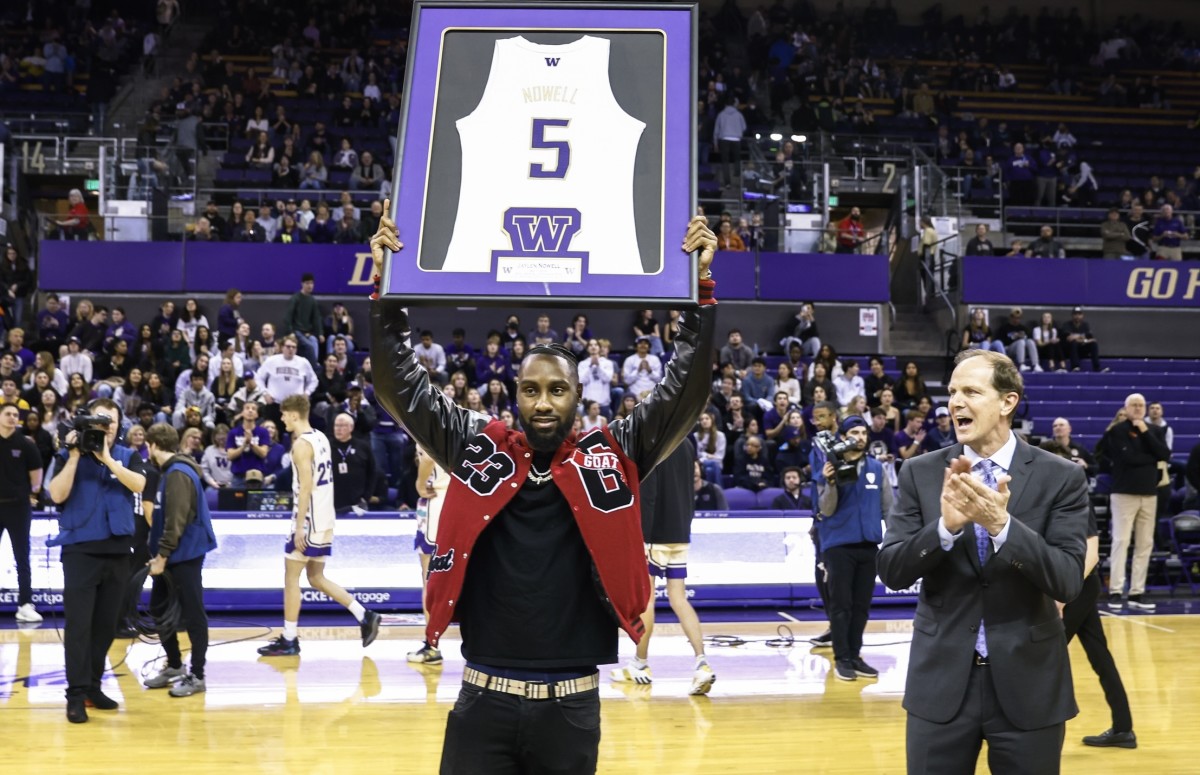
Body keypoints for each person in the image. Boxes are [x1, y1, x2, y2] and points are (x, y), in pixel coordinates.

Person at [367, 203, 717, 774]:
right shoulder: (479, 444)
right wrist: (388, 290)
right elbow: (398, 387)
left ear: (578, 396)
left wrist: (700, 291)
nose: (544, 401)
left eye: (558, 389)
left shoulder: (614, 452)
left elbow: (685, 393)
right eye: (531, 389)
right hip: (481, 699)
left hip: (572, 706)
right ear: (515, 394)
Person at [877, 349, 1089, 774]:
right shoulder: (919, 472)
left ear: (1007, 402)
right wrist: (945, 529)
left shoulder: (1061, 476)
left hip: (1029, 687)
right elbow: (893, 570)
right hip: (940, 685)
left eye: (971, 391)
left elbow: (1066, 580)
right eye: (952, 392)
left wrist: (1001, 526)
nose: (955, 402)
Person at [256, 394, 382, 657]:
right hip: (326, 517)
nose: (281, 419)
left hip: (310, 518)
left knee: (291, 577)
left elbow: (304, 489)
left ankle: (289, 638)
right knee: (315, 577)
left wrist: (299, 526)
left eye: (283, 414)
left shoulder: (301, 445)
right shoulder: (322, 437)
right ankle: (364, 614)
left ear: (293, 414)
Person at [46, 398, 147, 723]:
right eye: (100, 423)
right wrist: (75, 456)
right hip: (80, 551)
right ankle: (75, 695)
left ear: (118, 425)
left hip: (118, 551)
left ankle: (92, 685)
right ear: (87, 424)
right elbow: (56, 495)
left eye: (111, 422)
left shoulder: (126, 456)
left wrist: (107, 459)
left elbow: (141, 485)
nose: (106, 427)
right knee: (78, 627)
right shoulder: (66, 454)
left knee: (105, 627)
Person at [1043, 444, 1137, 750]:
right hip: (1074, 589)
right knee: (1100, 658)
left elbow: (1091, 556)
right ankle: (1123, 728)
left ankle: (1044, 734)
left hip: (1078, 588)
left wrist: (1061, 597)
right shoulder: (1049, 496)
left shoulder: (1074, 498)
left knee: (1045, 658)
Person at [611, 442, 716, 695]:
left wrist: (641, 534)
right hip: (680, 530)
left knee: (646, 599)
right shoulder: (687, 443)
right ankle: (702, 663)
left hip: (654, 532)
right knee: (678, 598)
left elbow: (648, 492)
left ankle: (640, 663)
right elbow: (690, 484)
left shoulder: (653, 442)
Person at [141, 423, 218, 697]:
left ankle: (197, 674)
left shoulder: (178, 473)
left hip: (184, 554)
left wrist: (161, 555)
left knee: (194, 613)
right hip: (172, 554)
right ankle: (174, 664)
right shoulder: (169, 472)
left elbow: (176, 522)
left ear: (152, 445)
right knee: (159, 610)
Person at [814, 416, 888, 681]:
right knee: (841, 604)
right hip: (839, 545)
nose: (860, 436)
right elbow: (826, 508)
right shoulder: (832, 465)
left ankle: (855, 655)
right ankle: (842, 658)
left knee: (861, 606)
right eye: (853, 432)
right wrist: (829, 482)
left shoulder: (877, 468)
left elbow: (888, 506)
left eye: (863, 432)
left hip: (869, 543)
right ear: (844, 436)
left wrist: (895, 537)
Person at [1094, 393, 1171, 612]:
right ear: (1126, 408)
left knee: (1145, 544)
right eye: (1133, 405)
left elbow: (1165, 454)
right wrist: (1151, 458)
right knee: (1121, 541)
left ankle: (1137, 591)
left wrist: (1145, 433)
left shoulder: (1154, 430)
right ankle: (1116, 591)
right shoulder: (1117, 430)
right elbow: (1127, 458)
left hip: (1149, 494)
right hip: (1124, 493)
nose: (1137, 408)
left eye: (1140, 405)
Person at [408, 442, 451, 665]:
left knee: (429, 580)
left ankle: (432, 645)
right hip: (457, 504)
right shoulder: (463, 423)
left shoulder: (427, 424)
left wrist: (419, 483)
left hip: (435, 503)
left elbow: (427, 457)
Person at [0, 404, 43, 622]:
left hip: (18, 507)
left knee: (22, 557)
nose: (12, 417)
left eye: (15, 415)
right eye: (7, 413)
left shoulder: (26, 444)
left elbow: (37, 479)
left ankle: (25, 604)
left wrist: (29, 493)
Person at [328, 412, 375, 513]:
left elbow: (372, 473)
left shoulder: (363, 447)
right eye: (336, 425)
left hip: (357, 503)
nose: (338, 429)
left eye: (342, 425)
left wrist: (366, 497)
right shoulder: (326, 446)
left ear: (351, 427)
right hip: (331, 503)